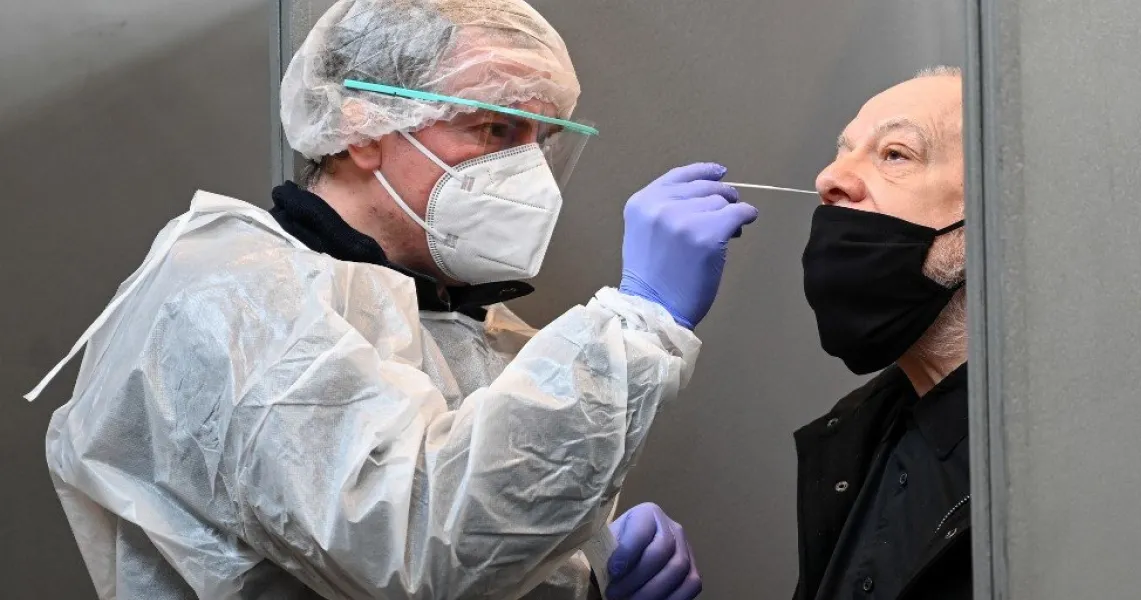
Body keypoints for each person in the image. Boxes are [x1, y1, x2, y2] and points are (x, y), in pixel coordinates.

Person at [28, 1, 758, 598]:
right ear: (360, 123)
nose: (526, 167)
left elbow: (489, 553)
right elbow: (417, 553)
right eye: (494, 127)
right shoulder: (232, 294)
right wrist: (640, 318)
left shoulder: (483, 331)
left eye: (541, 139)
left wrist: (590, 573)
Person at [793, 66, 969, 600]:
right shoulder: (851, 439)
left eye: (895, 153)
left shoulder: (1080, 461)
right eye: (843, 151)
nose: (830, 176)